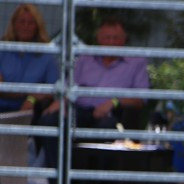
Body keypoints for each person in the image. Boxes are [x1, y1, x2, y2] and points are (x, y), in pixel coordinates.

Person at [39, 19, 149, 172]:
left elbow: (141, 99)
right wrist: (61, 100)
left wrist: (114, 102)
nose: (111, 42)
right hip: (78, 109)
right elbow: (66, 84)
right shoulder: (85, 58)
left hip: (111, 115)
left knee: (107, 127)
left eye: (115, 38)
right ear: (99, 39)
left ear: (124, 40)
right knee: (49, 120)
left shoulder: (136, 62)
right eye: (107, 38)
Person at [0, 4, 58, 115]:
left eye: (30, 23)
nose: (25, 26)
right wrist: (31, 92)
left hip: (29, 112)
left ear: (37, 26)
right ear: (14, 24)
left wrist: (31, 98)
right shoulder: (2, 49)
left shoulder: (46, 56)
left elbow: (52, 89)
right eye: (21, 21)